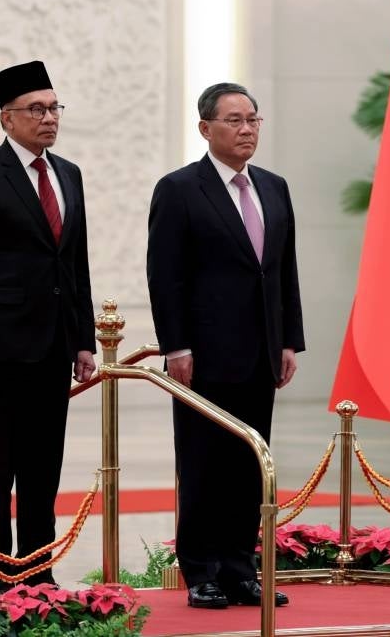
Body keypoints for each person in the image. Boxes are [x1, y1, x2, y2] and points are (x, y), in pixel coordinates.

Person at [146, 82, 305, 609]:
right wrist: (176, 346)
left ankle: (241, 568)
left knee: (249, 464)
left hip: (262, 352)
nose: (246, 129)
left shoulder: (274, 187)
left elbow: (283, 273)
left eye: (253, 120)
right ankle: (202, 571)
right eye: (234, 120)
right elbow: (165, 276)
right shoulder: (180, 189)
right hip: (204, 356)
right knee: (203, 463)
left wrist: (289, 342)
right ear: (205, 128)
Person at [0, 60, 97, 595]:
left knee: (42, 469)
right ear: (7, 118)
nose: (49, 118)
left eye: (55, 107)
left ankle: (37, 573)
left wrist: (83, 339)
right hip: (2, 349)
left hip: (55, 347)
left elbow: (74, 264)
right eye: (37, 109)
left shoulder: (69, 174)